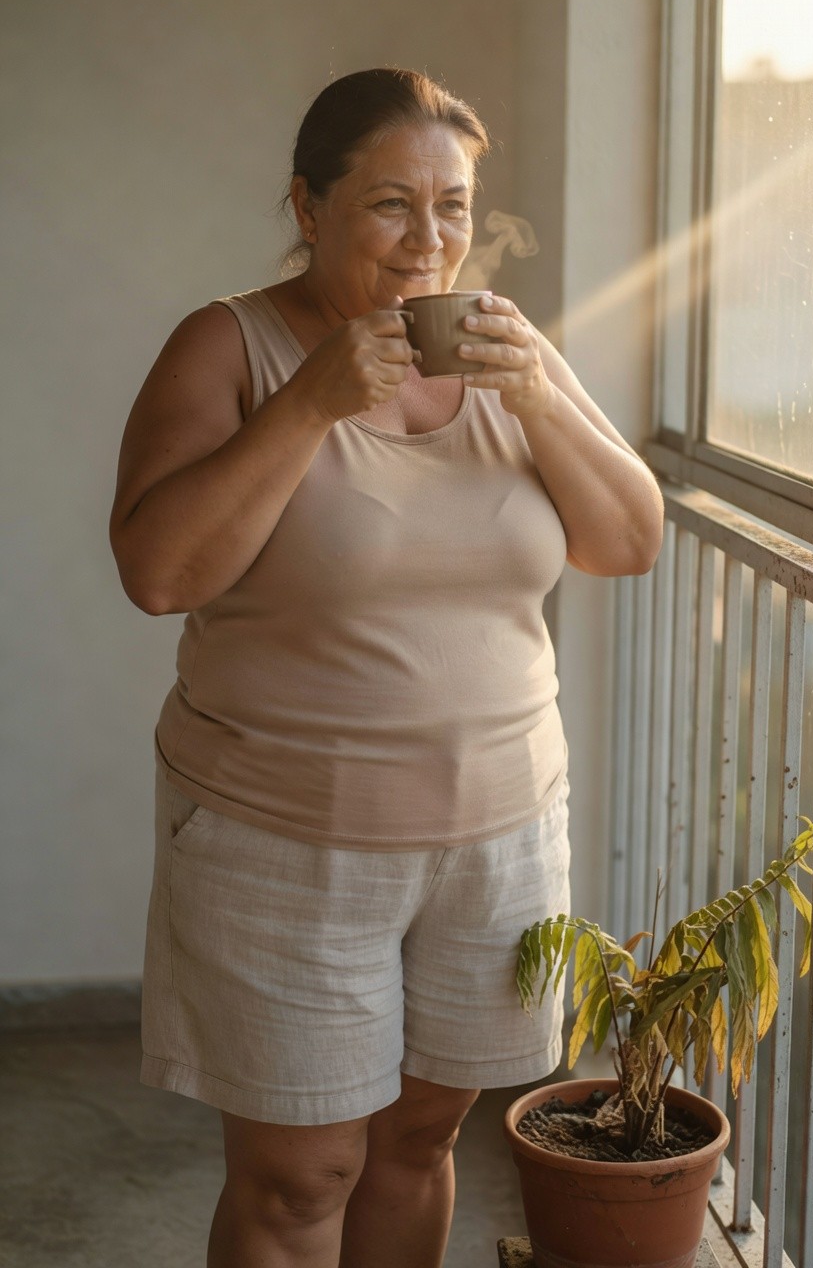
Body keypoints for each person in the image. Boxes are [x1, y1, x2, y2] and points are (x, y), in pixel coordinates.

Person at [110, 68, 664, 1268]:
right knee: (300, 1176)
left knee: (420, 1141)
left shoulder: (506, 348)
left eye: (454, 207)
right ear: (307, 207)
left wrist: (543, 400)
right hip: (281, 836)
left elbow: (630, 540)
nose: (431, 241)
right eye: (389, 206)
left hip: (501, 837)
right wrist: (310, 405)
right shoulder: (231, 345)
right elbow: (158, 572)